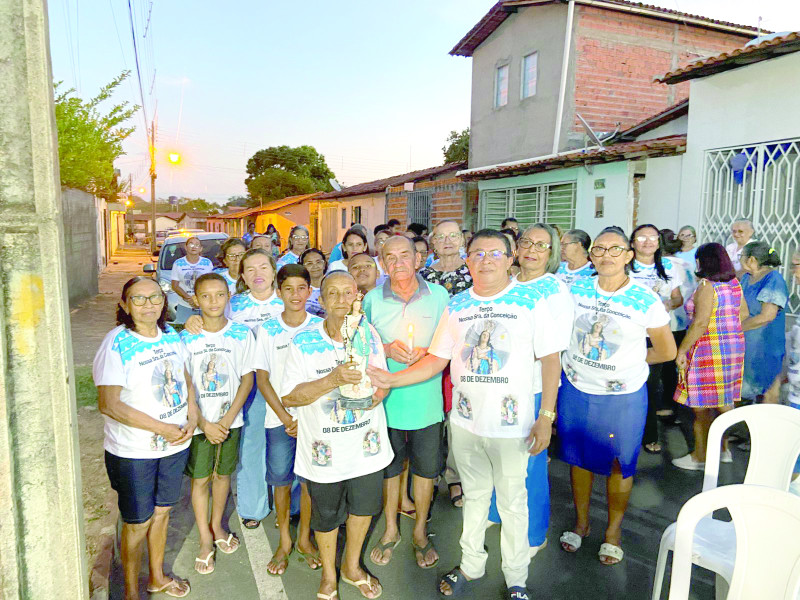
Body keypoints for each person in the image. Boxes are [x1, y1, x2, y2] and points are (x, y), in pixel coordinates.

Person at [368, 230, 564, 600]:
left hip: (513, 425)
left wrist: (547, 416)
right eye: (477, 253)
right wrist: (391, 378)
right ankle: (471, 565)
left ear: (510, 259)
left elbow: (552, 360)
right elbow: (436, 361)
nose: (485, 259)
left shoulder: (530, 300)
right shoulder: (456, 306)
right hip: (466, 423)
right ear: (467, 260)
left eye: (494, 253)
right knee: (474, 499)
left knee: (512, 502)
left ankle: (516, 577)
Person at [558, 226, 675, 565]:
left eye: (615, 249)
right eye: (600, 249)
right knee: (577, 458)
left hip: (622, 397)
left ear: (628, 256)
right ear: (591, 255)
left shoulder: (644, 298)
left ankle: (613, 531)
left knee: (618, 464)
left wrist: (625, 364)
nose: (606, 255)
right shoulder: (575, 290)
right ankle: (581, 524)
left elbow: (665, 351)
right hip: (576, 389)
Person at [281, 271, 392, 600]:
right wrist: (332, 380)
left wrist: (377, 393)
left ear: (357, 297)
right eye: (333, 294)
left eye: (348, 293)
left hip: (366, 448)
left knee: (363, 510)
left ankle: (352, 567)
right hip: (323, 453)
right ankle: (329, 575)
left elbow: (382, 382)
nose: (341, 301)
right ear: (322, 299)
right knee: (326, 517)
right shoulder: (304, 342)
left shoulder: (368, 334)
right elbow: (290, 397)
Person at [94, 277, 198, 599]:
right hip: (133, 452)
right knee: (137, 524)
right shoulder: (117, 343)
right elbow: (109, 404)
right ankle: (130, 592)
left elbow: (185, 379)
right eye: (138, 299)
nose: (149, 305)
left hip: (175, 446)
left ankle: (156, 577)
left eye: (155, 297)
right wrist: (162, 428)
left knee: (164, 512)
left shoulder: (170, 337)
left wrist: (192, 415)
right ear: (125, 305)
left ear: (163, 303)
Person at [363, 236, 449, 570]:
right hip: (386, 402)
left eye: (405, 256)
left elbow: (449, 344)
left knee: (426, 471)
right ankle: (390, 528)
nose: (397, 263)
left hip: (426, 400)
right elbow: (360, 345)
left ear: (418, 259)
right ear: (381, 263)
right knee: (391, 468)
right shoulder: (371, 299)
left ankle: (419, 532)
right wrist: (385, 349)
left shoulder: (440, 296)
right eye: (389, 257)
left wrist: (426, 352)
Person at [487, 224, 573, 555]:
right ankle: (497, 511)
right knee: (500, 455)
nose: (533, 250)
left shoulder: (553, 291)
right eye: (527, 243)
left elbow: (552, 349)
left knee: (530, 461)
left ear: (551, 254)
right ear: (517, 247)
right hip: (498, 385)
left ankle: (534, 531)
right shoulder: (507, 283)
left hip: (533, 387)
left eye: (542, 245)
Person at [185, 248, 284, 529]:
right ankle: (253, 507)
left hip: (285, 387)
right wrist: (193, 319)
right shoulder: (234, 304)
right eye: (249, 269)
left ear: (273, 270)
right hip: (249, 386)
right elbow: (209, 322)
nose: (257, 274)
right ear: (241, 275)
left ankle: (291, 506)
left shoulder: (287, 300)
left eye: (263, 267)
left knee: (289, 445)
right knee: (252, 447)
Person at [181, 273, 256, 574]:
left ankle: (218, 527)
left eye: (220, 295)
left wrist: (225, 420)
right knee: (200, 480)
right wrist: (202, 421)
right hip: (198, 422)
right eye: (206, 296)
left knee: (223, 476)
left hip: (228, 422)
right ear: (195, 299)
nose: (213, 302)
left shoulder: (240, 334)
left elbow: (247, 379)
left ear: (228, 297)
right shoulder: (186, 337)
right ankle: (204, 539)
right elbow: (184, 383)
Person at [253, 264, 324, 573]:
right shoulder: (268, 330)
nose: (295, 295)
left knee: (309, 482)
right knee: (281, 482)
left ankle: (304, 539)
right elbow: (263, 378)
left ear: (310, 291)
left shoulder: (320, 326)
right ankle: (284, 540)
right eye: (289, 289)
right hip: (279, 421)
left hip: (313, 420)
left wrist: (302, 416)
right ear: (278, 292)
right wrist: (284, 416)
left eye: (301, 288)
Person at [671, 244, 747, 470]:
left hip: (707, 349)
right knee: (722, 401)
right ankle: (723, 451)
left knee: (701, 407)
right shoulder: (733, 283)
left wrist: (682, 350)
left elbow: (701, 323)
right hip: (732, 348)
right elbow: (743, 313)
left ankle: (700, 457)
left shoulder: (706, 286)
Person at [419, 220, 473, 507]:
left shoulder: (474, 271)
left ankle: (455, 477)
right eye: (442, 236)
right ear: (433, 242)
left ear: (462, 239)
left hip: (464, 355)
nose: (449, 241)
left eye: (454, 235)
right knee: (432, 416)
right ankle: (429, 473)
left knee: (457, 419)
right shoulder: (424, 276)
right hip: (430, 354)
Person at [629, 224, 684, 454]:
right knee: (625, 384)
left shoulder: (670, 266)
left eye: (653, 237)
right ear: (632, 242)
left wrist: (667, 305)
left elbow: (677, 299)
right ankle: (624, 433)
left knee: (651, 385)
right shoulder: (624, 265)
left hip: (656, 336)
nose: (648, 241)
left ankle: (649, 434)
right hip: (629, 334)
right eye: (642, 237)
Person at [740, 241, 788, 404]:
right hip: (745, 345)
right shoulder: (746, 278)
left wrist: (736, 330)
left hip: (765, 345)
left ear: (752, 260)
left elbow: (767, 316)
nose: (740, 260)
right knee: (741, 392)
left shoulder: (773, 279)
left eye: (742, 256)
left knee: (766, 394)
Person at [171, 236, 214, 321]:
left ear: (201, 249)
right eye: (191, 244)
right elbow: (175, 285)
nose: (194, 247)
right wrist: (189, 299)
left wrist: (200, 300)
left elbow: (211, 284)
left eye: (197, 245)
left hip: (204, 305)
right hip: (185, 305)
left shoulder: (207, 263)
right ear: (186, 247)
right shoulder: (178, 263)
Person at [301, 248, 327, 317]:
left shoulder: (332, 285)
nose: (315, 266)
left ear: (324, 264)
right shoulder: (299, 289)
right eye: (309, 264)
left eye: (318, 262)